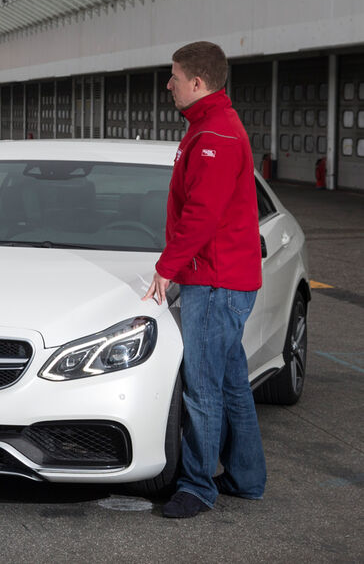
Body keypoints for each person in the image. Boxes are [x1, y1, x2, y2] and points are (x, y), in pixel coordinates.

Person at [142, 41, 265, 518]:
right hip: (221, 279)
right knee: (232, 384)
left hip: (214, 284)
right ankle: (246, 478)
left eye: (174, 76)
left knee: (203, 389)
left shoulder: (216, 135)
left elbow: (201, 215)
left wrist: (166, 267)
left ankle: (196, 488)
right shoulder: (210, 127)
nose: (168, 84)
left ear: (198, 82)